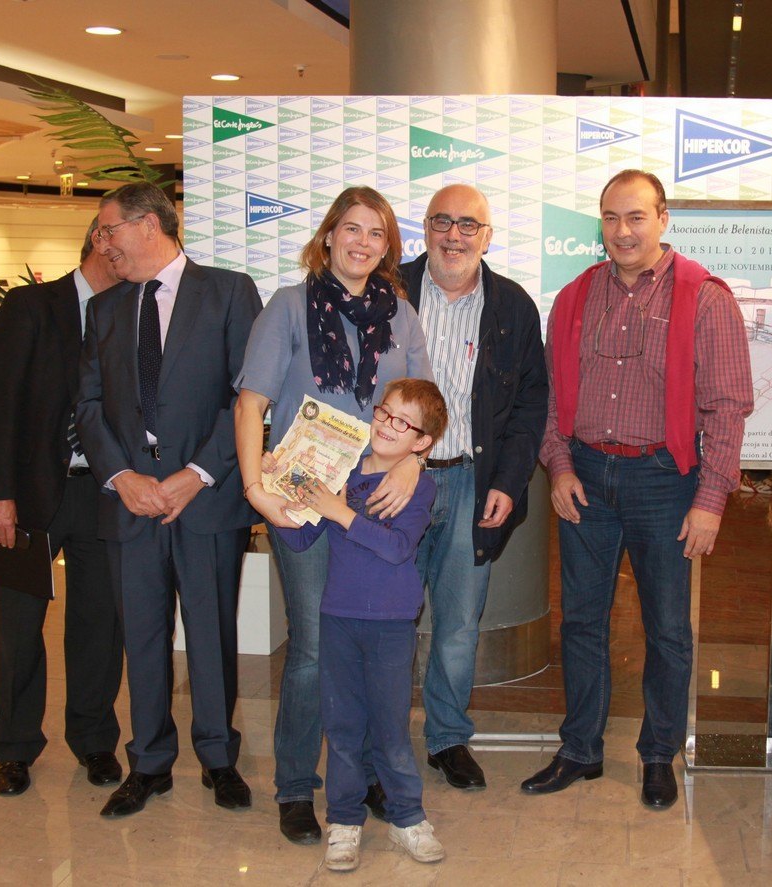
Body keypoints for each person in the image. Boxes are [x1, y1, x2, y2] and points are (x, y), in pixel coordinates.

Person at [524, 169, 753, 810]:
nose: (622, 231)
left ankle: (658, 754)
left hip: (665, 483)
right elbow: (550, 397)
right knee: (581, 623)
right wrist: (559, 467)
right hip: (586, 478)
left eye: (636, 217)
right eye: (610, 218)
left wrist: (710, 501)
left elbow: (728, 407)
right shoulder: (574, 297)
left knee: (668, 629)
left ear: (663, 219)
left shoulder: (705, 298)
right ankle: (580, 749)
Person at [235, 186, 432, 844]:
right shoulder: (289, 307)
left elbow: (424, 405)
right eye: (352, 228)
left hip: (375, 500)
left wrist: (413, 464)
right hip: (304, 496)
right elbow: (251, 403)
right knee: (316, 648)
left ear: (388, 247)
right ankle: (296, 785)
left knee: (370, 643)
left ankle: (369, 775)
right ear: (328, 236)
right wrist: (255, 488)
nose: (362, 242)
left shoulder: (402, 316)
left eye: (376, 233)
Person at [75, 182, 263, 818]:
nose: (102, 243)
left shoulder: (228, 291)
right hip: (130, 502)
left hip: (204, 500)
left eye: (108, 230)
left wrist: (196, 474)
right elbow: (88, 405)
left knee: (211, 634)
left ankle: (218, 758)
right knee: (143, 637)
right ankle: (149, 763)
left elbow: (246, 397)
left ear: (148, 225)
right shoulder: (104, 309)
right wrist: (120, 477)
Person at [400, 184, 548, 791]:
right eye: (442, 222)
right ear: (425, 229)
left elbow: (531, 405)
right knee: (387, 616)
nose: (454, 235)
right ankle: (383, 735)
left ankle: (447, 738)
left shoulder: (513, 306)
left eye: (468, 225)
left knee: (459, 622)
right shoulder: (389, 292)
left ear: (487, 237)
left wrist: (509, 481)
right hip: (396, 483)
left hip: (470, 482)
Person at [0, 220, 124, 797]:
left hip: (104, 492)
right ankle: (14, 747)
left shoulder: (133, 311)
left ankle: (94, 740)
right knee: (18, 624)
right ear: (102, 242)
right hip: (32, 492)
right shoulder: (31, 306)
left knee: (99, 624)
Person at [272, 379, 448, 873]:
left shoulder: (418, 486)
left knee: (391, 728)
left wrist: (340, 511)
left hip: (391, 624)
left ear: (422, 442)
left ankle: (407, 817)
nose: (387, 425)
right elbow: (300, 539)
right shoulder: (342, 474)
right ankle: (344, 821)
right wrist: (276, 484)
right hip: (339, 620)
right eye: (384, 413)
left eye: (403, 422)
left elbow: (397, 548)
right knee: (343, 727)